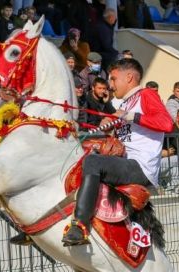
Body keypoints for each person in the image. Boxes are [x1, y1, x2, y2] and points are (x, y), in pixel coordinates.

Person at [62, 58, 172, 246]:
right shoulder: (125, 104)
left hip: (140, 166)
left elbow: (167, 124)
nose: (110, 85)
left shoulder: (146, 94)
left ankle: (80, 225)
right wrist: (108, 125)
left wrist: (130, 116)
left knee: (93, 162)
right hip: (126, 162)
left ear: (129, 77)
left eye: (113, 79)